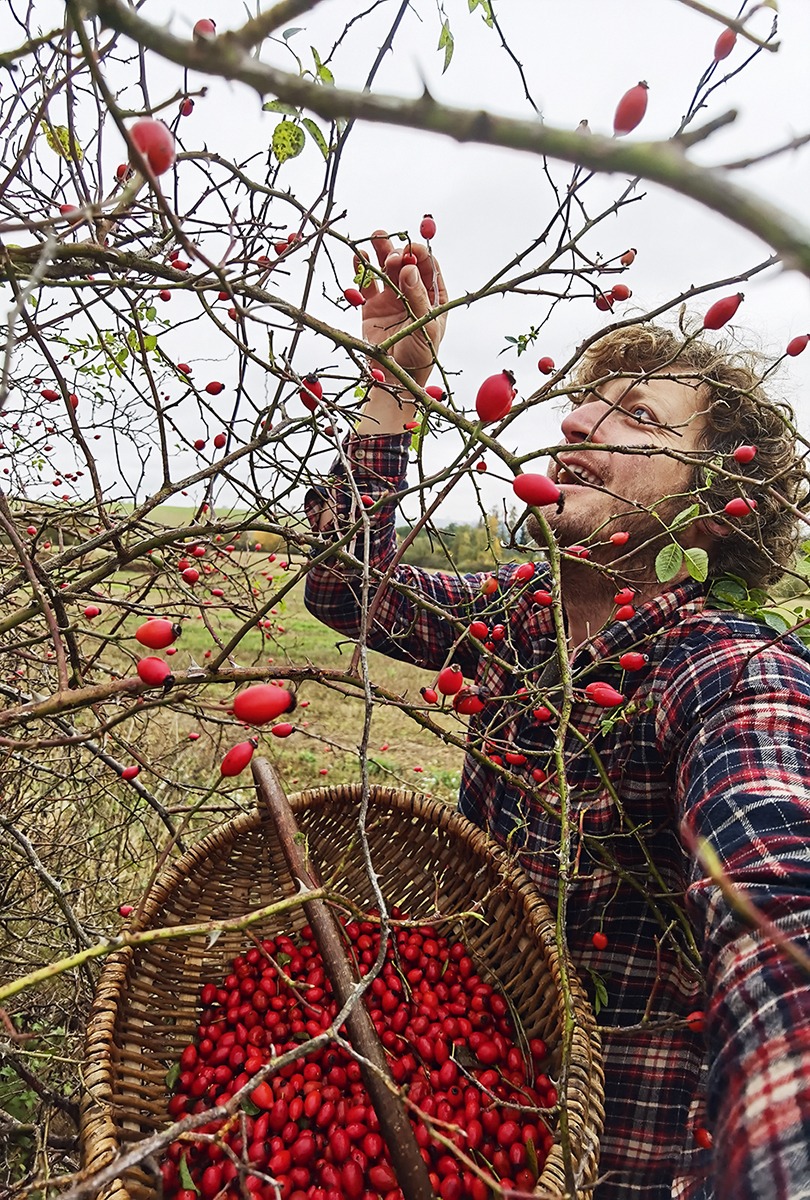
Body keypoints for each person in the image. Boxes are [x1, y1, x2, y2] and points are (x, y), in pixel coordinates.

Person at [303, 232, 810, 1199]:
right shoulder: (516, 617)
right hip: (467, 1104)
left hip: (629, 1159)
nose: (574, 422)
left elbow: (777, 909)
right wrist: (392, 386)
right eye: (581, 404)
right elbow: (347, 590)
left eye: (637, 418)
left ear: (714, 512)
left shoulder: (727, 672)